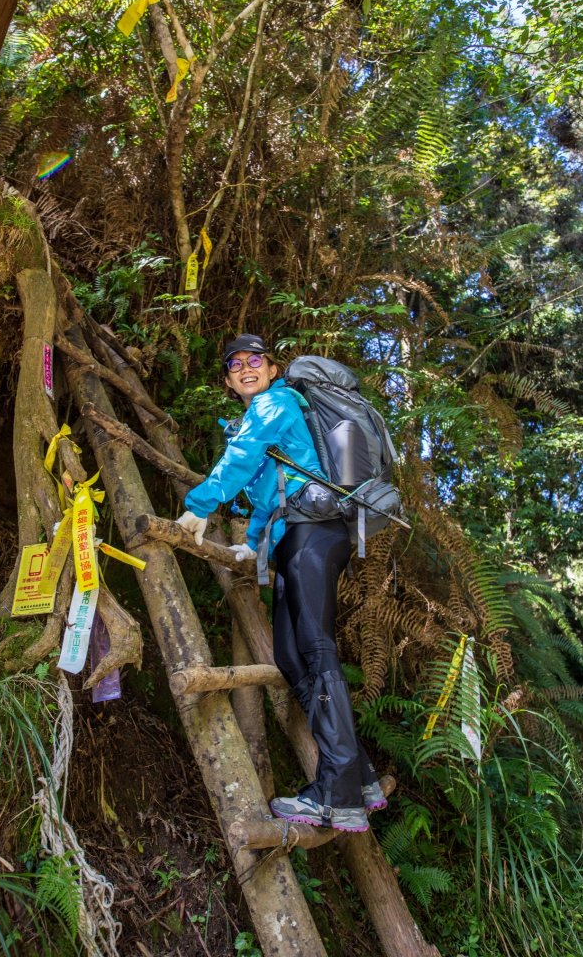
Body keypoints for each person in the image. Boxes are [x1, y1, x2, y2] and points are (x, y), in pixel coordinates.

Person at [177, 334, 387, 832]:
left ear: (272, 370)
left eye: (256, 360)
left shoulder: (275, 402)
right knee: (293, 657)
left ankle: (337, 794)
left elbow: (246, 456)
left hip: (315, 532)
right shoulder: (264, 413)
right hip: (296, 535)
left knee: (315, 648)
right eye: (236, 364)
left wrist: (199, 506)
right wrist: (253, 542)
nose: (246, 368)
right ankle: (359, 777)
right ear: (229, 381)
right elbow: (272, 488)